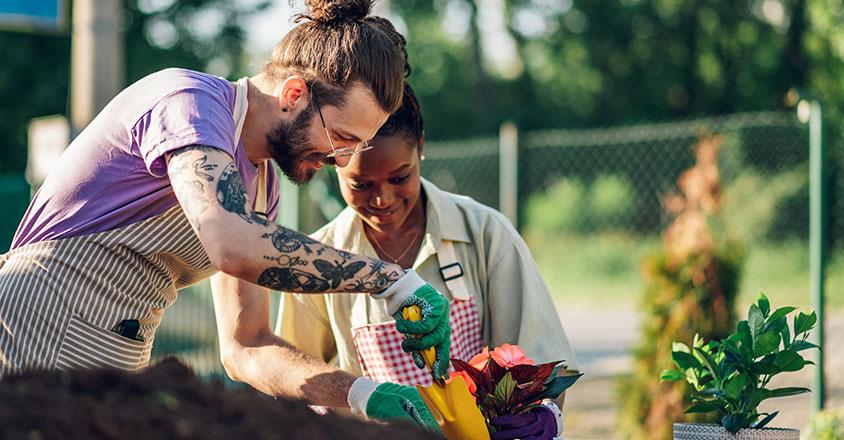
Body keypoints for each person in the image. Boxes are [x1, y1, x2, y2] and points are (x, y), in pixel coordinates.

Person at [0, 0, 448, 432]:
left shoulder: (262, 187)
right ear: (294, 94)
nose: (342, 159)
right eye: (342, 138)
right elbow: (228, 238)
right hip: (36, 329)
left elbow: (247, 346)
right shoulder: (190, 102)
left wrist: (361, 395)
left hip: (114, 366)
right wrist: (390, 280)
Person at [277, 84, 578, 439]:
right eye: (361, 184)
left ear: (421, 146)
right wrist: (332, 408)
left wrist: (544, 416)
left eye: (399, 178)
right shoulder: (320, 257)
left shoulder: (484, 232)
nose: (382, 199)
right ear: (334, 163)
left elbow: (542, 356)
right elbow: (291, 376)